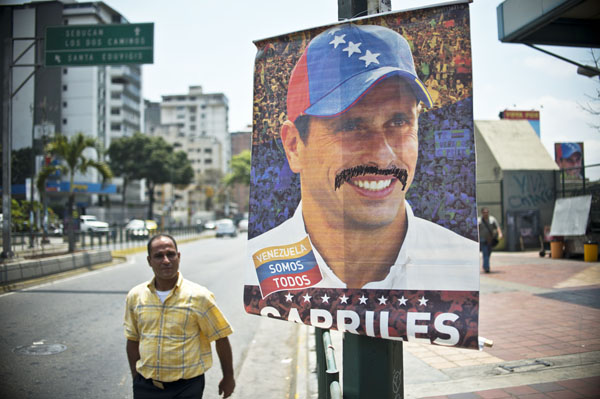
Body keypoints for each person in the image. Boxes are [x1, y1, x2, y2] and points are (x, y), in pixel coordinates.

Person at [247, 23, 479, 293]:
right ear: (294, 146)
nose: (382, 156)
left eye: (399, 121)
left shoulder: (461, 265)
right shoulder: (258, 269)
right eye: (351, 126)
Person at [124, 234, 235, 398]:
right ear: (149, 261)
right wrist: (136, 379)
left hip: (187, 388)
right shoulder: (136, 296)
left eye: (170, 254)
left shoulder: (199, 297)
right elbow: (133, 340)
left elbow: (221, 337)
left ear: (179, 256)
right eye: (158, 256)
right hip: (146, 386)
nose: (166, 260)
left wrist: (228, 377)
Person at [478, 208, 503, 273]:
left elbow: (497, 227)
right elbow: (476, 229)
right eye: (484, 212)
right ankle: (487, 268)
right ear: (482, 213)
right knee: (485, 253)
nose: (485, 213)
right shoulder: (479, 220)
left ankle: (485, 265)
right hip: (483, 239)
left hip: (490, 239)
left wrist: (500, 233)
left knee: (488, 253)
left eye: (487, 212)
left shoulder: (492, 219)